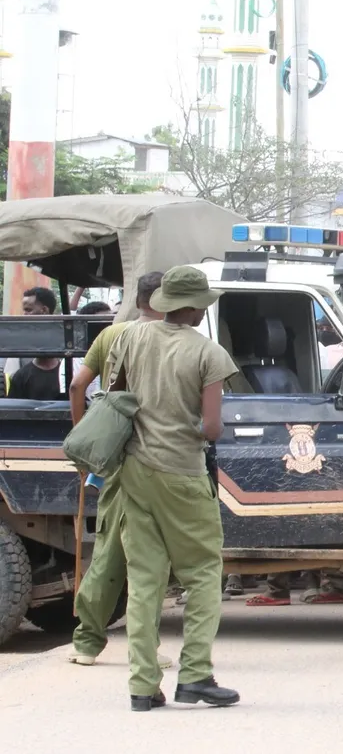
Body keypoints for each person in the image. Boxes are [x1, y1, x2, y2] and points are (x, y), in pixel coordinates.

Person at [106, 266, 241, 711]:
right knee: (203, 572)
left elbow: (117, 398)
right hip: (182, 473)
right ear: (195, 307)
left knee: (145, 579)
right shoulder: (210, 354)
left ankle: (143, 686)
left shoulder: (129, 338)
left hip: (134, 471)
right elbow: (213, 428)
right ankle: (196, 676)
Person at [66, 272, 168, 668]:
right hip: (159, 457)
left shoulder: (112, 334)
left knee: (108, 549)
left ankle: (87, 642)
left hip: (115, 457)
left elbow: (78, 386)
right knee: (151, 557)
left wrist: (87, 442)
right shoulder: (174, 339)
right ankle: (147, 648)